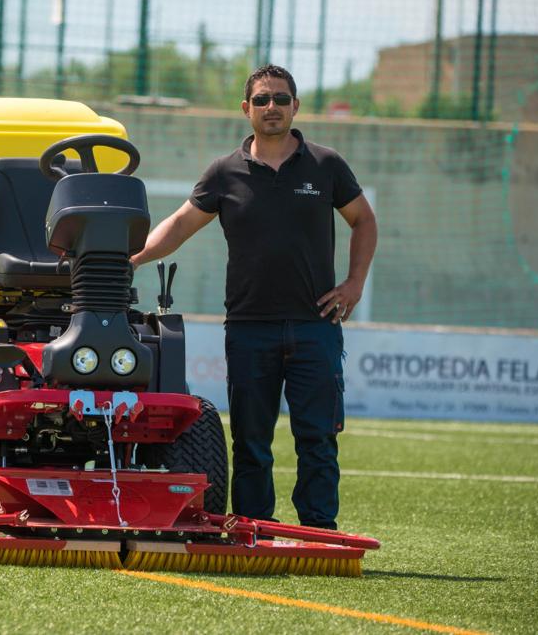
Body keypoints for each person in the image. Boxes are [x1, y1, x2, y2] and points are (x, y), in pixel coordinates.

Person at [131, 64, 377, 530]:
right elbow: (182, 223)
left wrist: (354, 283)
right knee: (251, 442)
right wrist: (135, 257)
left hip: (314, 327)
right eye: (262, 100)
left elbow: (364, 220)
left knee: (318, 438)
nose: (272, 107)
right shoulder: (225, 172)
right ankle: (251, 531)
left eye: (281, 99)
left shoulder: (326, 165)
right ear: (246, 109)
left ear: (295, 107)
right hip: (249, 329)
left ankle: (317, 532)